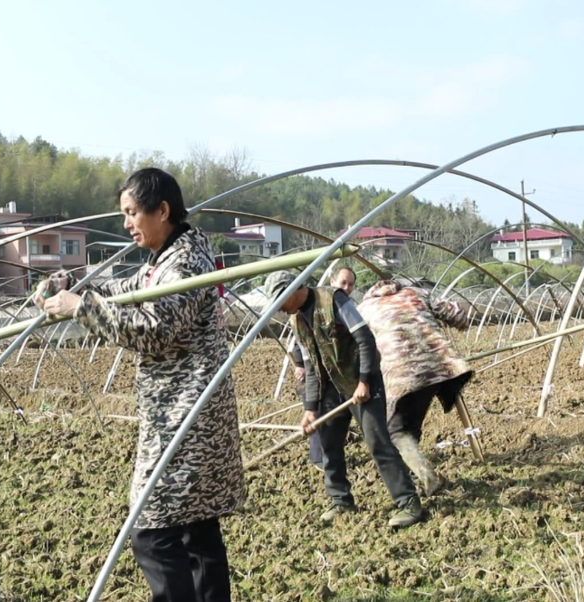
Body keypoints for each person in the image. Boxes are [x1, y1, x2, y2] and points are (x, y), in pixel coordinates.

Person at [35, 167, 245, 602]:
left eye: (132, 213)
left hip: (188, 417)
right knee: (196, 530)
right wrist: (74, 284)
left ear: (162, 210)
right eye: (124, 214)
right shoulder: (164, 258)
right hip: (184, 412)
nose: (127, 223)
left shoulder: (186, 260)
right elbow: (126, 286)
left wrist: (82, 308)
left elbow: (154, 328)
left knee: (151, 533)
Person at [264, 270, 423, 528]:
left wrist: (363, 381)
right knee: (329, 445)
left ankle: (408, 502)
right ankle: (341, 502)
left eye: (280, 301)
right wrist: (310, 408)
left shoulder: (334, 299)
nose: (279, 309)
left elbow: (365, 339)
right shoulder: (296, 321)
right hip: (330, 388)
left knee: (378, 442)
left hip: (361, 381)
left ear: (293, 290)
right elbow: (312, 366)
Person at [357, 278, 473, 496]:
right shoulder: (417, 294)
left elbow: (356, 345)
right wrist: (460, 320)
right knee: (408, 426)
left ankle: (429, 479)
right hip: (438, 367)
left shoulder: (363, 309)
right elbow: (457, 317)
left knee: (396, 432)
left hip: (402, 374)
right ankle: (416, 474)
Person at [289, 266, 358, 470]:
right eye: (343, 283)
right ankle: (320, 459)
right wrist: (300, 365)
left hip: (343, 377)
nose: (347, 288)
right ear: (332, 281)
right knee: (318, 415)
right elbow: (300, 343)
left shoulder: (347, 307)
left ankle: (329, 458)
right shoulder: (318, 305)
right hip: (319, 376)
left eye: (351, 284)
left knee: (334, 420)